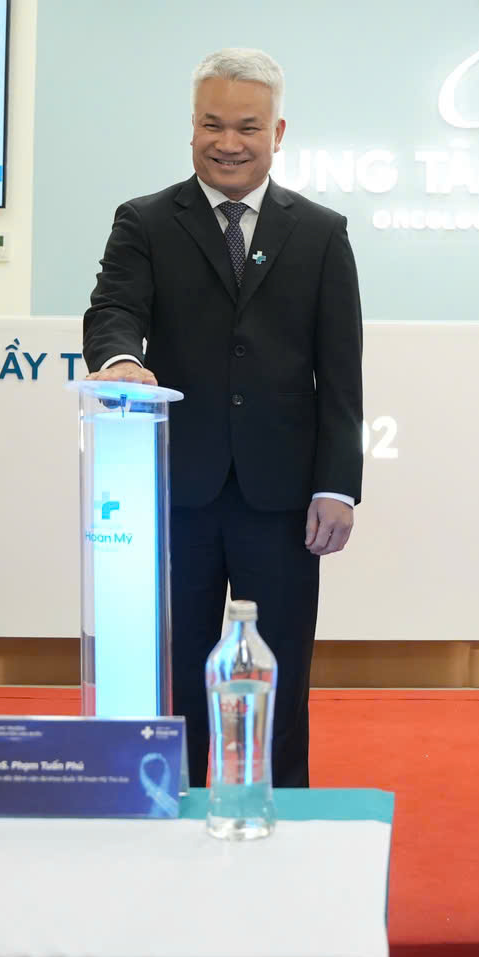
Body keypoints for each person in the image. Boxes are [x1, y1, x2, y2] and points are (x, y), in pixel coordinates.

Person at [83, 48, 364, 789]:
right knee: (172, 672)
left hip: (284, 495)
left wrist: (338, 484)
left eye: (247, 127)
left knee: (280, 676)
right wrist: (120, 362)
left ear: (278, 132)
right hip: (175, 488)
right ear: (191, 126)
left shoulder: (321, 231)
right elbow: (113, 310)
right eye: (212, 125)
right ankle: (166, 810)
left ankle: (281, 818)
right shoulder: (145, 220)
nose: (228, 143)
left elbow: (341, 373)